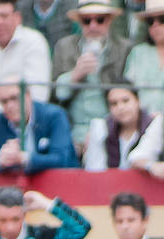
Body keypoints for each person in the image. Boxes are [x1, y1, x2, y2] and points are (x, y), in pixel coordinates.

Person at [50, 0, 130, 147]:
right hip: (71, 128)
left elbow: (128, 96)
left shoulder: (123, 48)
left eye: (100, 20)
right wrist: (74, 75)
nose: (93, 26)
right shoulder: (64, 47)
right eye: (87, 20)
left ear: (109, 20)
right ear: (80, 23)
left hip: (112, 128)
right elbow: (55, 95)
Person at [0, 0, 50, 113]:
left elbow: (38, 95)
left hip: (24, 118)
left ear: (17, 18)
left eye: (4, 16)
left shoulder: (34, 41)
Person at [0, 80, 78, 172]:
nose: (10, 106)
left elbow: (62, 158)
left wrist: (24, 158)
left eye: (14, 98)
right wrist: (1, 160)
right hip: (15, 184)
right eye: (4, 101)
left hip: (60, 182)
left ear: (28, 95)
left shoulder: (54, 115)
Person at [83, 84, 153, 170]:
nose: (120, 107)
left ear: (137, 101)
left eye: (125, 101)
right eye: (114, 104)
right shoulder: (102, 129)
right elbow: (94, 170)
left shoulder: (153, 126)